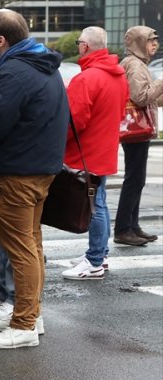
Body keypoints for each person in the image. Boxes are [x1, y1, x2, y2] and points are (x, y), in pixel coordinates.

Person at [0, 9, 68, 350]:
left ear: (1, 40)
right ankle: (29, 314)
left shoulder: (14, 71)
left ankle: (24, 323)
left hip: (15, 172)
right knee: (31, 246)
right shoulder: (42, 66)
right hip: (39, 168)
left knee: (21, 250)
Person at [60, 27, 128, 280]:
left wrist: (58, 144)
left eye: (79, 43)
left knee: (95, 206)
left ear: (85, 46)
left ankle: (95, 260)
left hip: (85, 152)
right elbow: (120, 112)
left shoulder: (86, 78)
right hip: (104, 148)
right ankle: (100, 253)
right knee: (99, 202)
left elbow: (72, 120)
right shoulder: (117, 76)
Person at [113, 26, 161, 246]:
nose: (155, 45)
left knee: (137, 178)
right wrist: (161, 83)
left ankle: (132, 225)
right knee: (134, 179)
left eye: (156, 41)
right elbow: (140, 98)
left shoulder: (138, 64)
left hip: (139, 130)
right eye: (150, 41)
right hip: (136, 130)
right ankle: (123, 228)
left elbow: (147, 98)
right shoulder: (134, 65)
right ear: (139, 42)